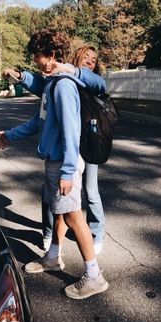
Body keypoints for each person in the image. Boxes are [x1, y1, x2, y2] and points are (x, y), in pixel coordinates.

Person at [0, 29, 108, 300]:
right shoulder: (51, 85)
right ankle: (53, 257)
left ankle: (94, 276)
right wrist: (9, 136)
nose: (37, 62)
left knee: (73, 216)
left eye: (38, 57)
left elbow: (71, 131)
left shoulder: (65, 86)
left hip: (63, 163)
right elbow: (38, 122)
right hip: (55, 161)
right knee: (59, 213)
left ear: (51, 56)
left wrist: (68, 171)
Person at [42, 45, 105, 255]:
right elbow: (41, 86)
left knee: (91, 190)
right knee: (51, 195)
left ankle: (96, 233)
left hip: (89, 142)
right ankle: (50, 234)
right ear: (76, 57)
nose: (90, 60)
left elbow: (101, 84)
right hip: (70, 146)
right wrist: (22, 77)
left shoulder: (90, 80)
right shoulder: (64, 81)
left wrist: (73, 71)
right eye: (86, 56)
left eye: (94, 59)